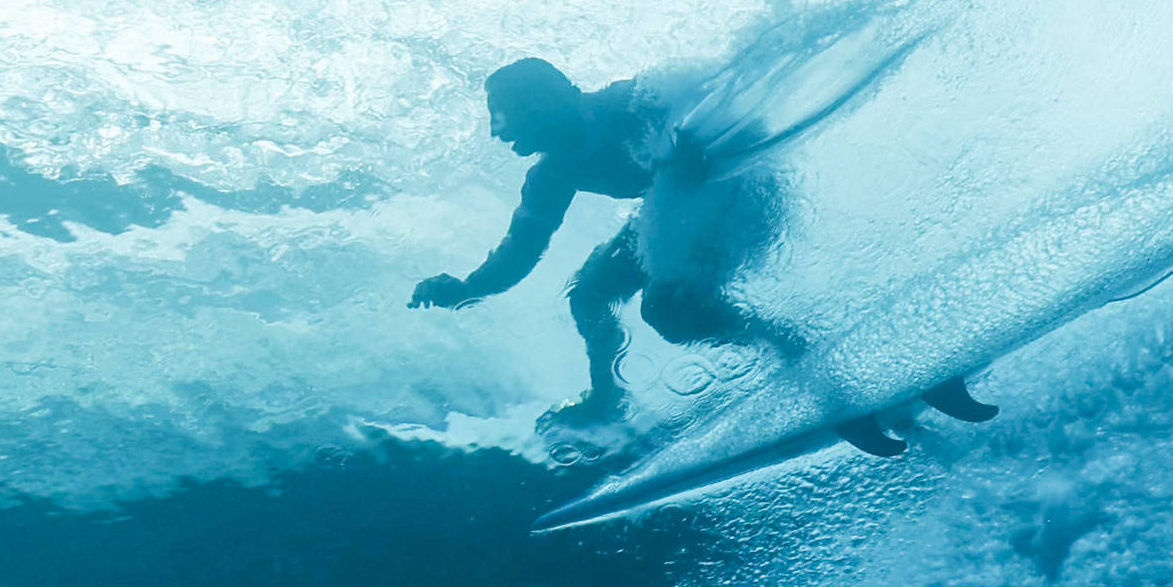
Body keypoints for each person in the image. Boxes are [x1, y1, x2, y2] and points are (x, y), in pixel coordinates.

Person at [410, 57, 996, 454]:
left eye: (508, 113)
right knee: (590, 295)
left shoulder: (630, 103)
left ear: (552, 100)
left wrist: (700, 146)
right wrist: (467, 287)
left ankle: (840, 375)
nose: (497, 131)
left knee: (670, 311)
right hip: (672, 218)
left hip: (739, 198)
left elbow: (734, 101)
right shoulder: (554, 172)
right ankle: (608, 402)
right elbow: (522, 250)